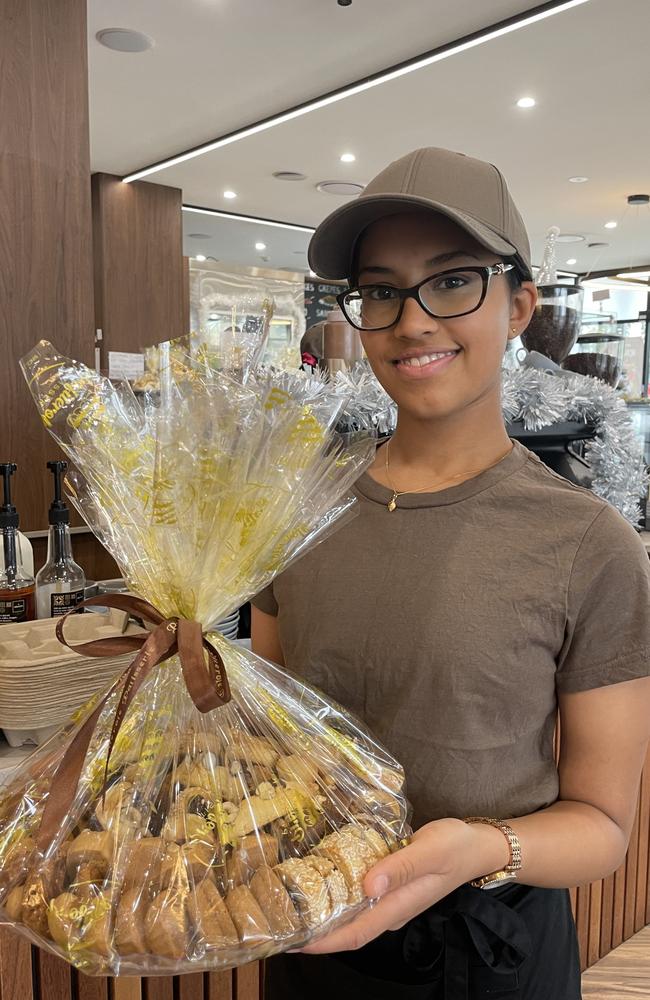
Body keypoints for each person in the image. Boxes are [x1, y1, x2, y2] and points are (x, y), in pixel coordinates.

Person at [251, 148, 650, 999]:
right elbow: (269, 736)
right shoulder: (294, 511)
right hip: (310, 930)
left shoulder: (589, 540)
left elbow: (604, 826)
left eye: (454, 281)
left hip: (489, 945)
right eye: (382, 289)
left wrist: (480, 847)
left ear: (519, 307)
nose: (414, 319)